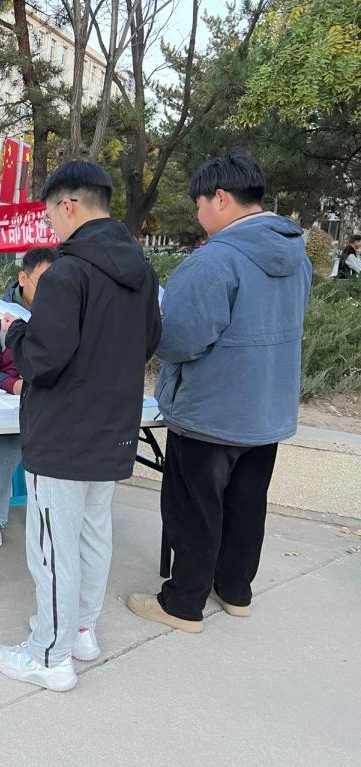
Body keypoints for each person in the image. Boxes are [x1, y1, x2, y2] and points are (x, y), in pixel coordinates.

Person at [0, 159, 161, 692]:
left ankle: (49, 654)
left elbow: (42, 361)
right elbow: (149, 340)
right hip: (113, 426)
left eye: (49, 216)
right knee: (92, 535)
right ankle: (82, 629)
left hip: (63, 431)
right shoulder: (141, 269)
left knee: (52, 547)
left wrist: (15, 333)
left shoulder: (67, 272)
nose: (51, 227)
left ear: (68, 205)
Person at [127, 152, 311, 633]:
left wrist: (155, 321)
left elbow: (180, 340)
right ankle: (234, 591)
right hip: (266, 408)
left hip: (210, 410)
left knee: (194, 509)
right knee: (246, 505)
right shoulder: (296, 257)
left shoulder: (214, 260)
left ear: (221, 198)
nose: (198, 213)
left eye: (199, 203)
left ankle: (182, 603)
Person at [0, 246, 61, 547]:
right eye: (43, 281)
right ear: (23, 278)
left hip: (48, 401)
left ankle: (55, 514)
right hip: (5, 401)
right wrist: (13, 385)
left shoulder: (63, 316)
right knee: (9, 442)